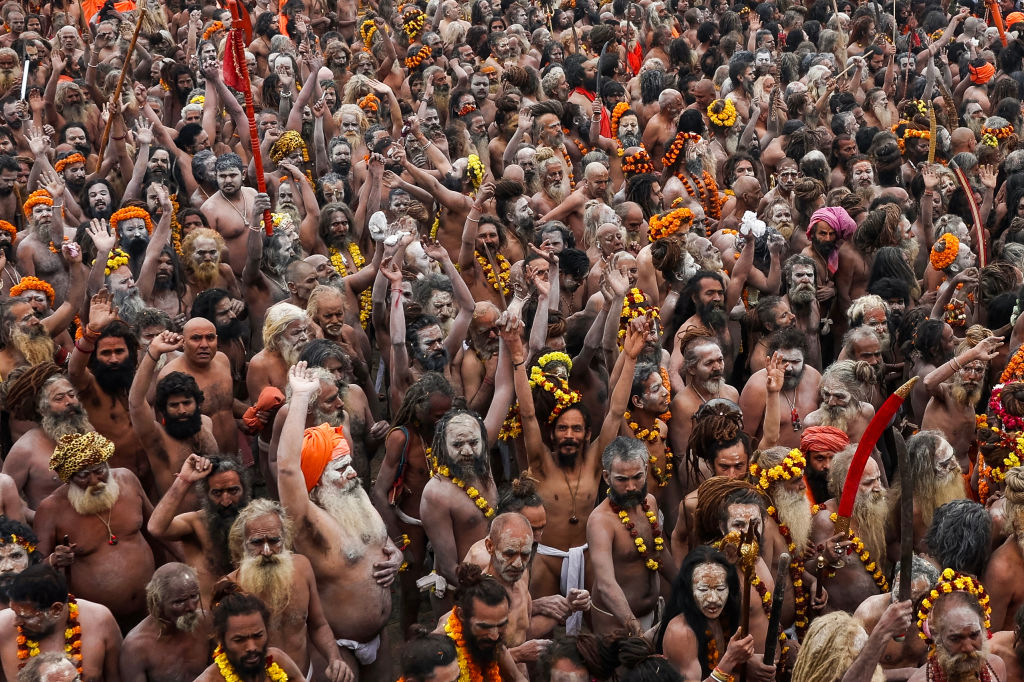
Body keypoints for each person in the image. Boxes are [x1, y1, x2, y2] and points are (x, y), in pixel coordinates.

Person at [276, 363, 402, 678]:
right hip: (337, 644)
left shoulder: (352, 495)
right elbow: (288, 468)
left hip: (379, 635)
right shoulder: (307, 519)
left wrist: (395, 554)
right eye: (341, 468)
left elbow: (377, 539)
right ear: (316, 479)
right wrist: (301, 398)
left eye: (349, 464)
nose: (353, 473)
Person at [34, 431, 156, 629]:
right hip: (97, 623)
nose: (94, 481)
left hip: (151, 607)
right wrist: (53, 560)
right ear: (69, 478)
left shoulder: (127, 480)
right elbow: (33, 570)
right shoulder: (51, 509)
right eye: (83, 475)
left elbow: (157, 528)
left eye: (99, 470)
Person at [226, 498, 353, 682]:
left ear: (285, 539)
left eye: (274, 541)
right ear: (243, 543)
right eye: (257, 542)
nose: (267, 551)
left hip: (305, 675)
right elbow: (228, 654)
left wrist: (335, 659)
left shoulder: (303, 567)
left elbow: (318, 625)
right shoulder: (230, 588)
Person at [587, 437, 675, 636]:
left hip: (652, 612)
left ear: (646, 470)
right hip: (616, 623)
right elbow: (606, 584)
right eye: (622, 479)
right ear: (607, 477)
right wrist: (633, 626)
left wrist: (684, 585)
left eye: (637, 477)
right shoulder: (600, 521)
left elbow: (660, 552)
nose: (631, 487)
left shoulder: (650, 503)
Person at [128, 331, 220, 500]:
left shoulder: (205, 423)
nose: (182, 410)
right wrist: (154, 352)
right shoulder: (155, 437)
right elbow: (136, 404)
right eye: (174, 405)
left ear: (198, 404)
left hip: (211, 511)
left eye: (187, 403)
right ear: (163, 410)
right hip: (175, 515)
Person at [147, 455, 250, 604]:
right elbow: (156, 528)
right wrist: (184, 480)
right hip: (206, 614)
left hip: (248, 611)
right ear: (206, 495)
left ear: (245, 490)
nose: (226, 501)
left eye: (233, 491)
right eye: (217, 493)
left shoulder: (257, 524)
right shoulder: (195, 523)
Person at [0, 564, 122, 682]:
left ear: (56, 610)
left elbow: (116, 678)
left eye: (25, 616)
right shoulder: (2, 628)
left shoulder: (99, 619)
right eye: (14, 612)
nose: (15, 622)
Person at [192, 583, 306, 682]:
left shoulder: (279, 661)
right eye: (239, 640)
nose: (252, 647)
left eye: (257, 636)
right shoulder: (209, 680)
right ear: (220, 640)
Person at [433, 563, 526, 682]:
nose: (494, 635)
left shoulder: (490, 639)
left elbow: (517, 677)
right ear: (462, 615)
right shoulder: (439, 651)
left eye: (501, 625)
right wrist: (518, 654)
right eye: (484, 626)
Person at [119, 563, 211, 682]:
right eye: (179, 602)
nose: (192, 607)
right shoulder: (136, 647)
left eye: (194, 596)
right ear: (157, 602)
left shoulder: (206, 623)